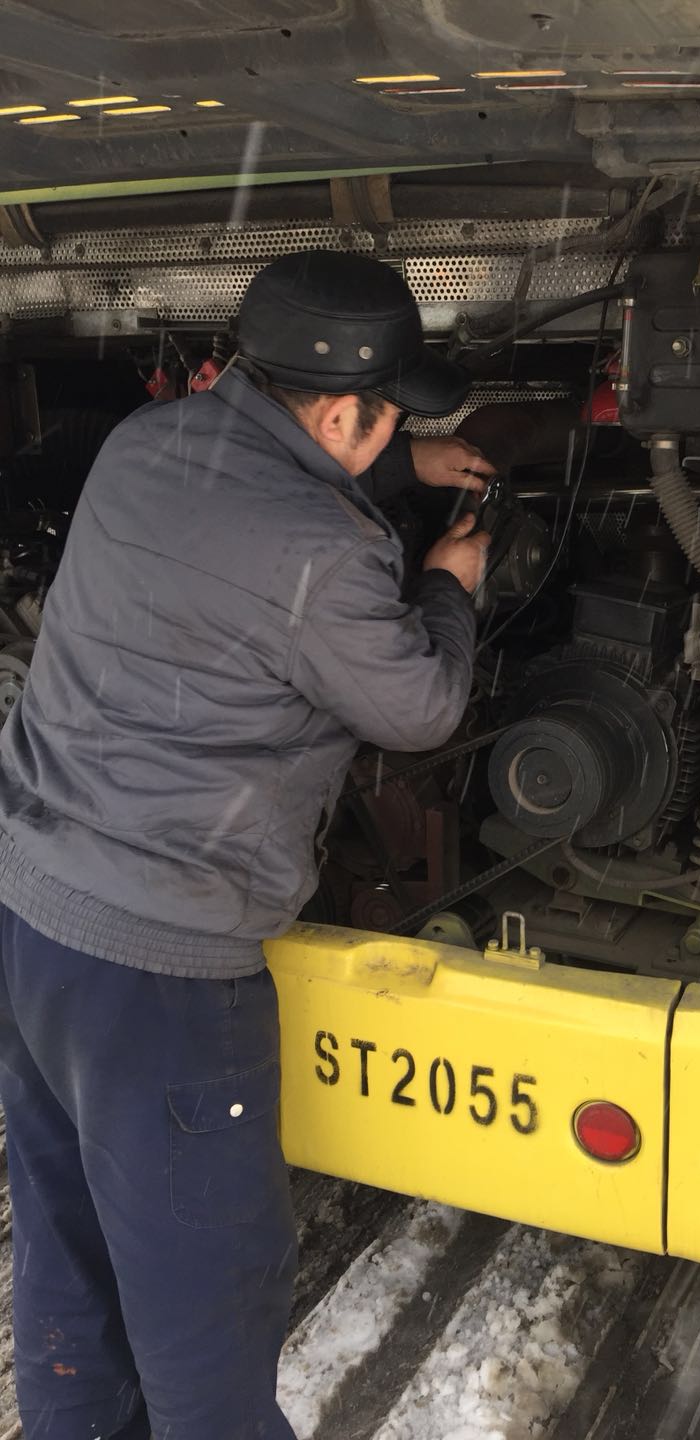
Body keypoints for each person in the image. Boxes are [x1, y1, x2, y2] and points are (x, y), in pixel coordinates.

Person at [0, 250, 492, 1440]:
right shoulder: (328, 552)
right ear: (342, 414)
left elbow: (245, 517)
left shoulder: (142, 446)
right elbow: (419, 706)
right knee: (206, 1300)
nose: (393, 435)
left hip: (32, 912)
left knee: (70, 1241)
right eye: (389, 421)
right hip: (161, 972)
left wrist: (401, 474)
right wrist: (450, 585)